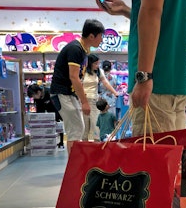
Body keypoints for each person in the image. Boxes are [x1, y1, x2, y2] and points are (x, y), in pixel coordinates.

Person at [95, 0, 186, 135]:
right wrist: (126, 10)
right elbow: (167, 15)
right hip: (176, 82)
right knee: (171, 154)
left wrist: (144, 76)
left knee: (151, 155)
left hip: (155, 82)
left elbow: (151, 12)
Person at [50, 19, 105, 155]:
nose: (102, 40)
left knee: (78, 128)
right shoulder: (76, 49)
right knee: (76, 129)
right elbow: (74, 77)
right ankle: (74, 168)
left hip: (69, 94)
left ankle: (76, 164)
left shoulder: (83, 50)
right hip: (62, 93)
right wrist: (85, 101)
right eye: (100, 36)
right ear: (91, 36)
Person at [82, 54, 118, 142]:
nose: (97, 65)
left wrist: (115, 92)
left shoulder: (99, 71)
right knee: (84, 127)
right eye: (95, 63)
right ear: (90, 63)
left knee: (96, 127)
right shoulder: (82, 71)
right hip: (83, 101)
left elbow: (105, 82)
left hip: (94, 101)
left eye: (98, 63)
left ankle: (97, 150)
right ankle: (84, 150)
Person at [27, 83, 64, 148]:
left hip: (55, 110)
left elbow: (57, 105)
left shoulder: (49, 93)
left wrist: (57, 115)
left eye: (33, 96)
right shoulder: (37, 98)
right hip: (47, 112)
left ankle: (61, 143)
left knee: (58, 125)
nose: (34, 98)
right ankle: (45, 142)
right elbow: (39, 111)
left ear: (38, 92)